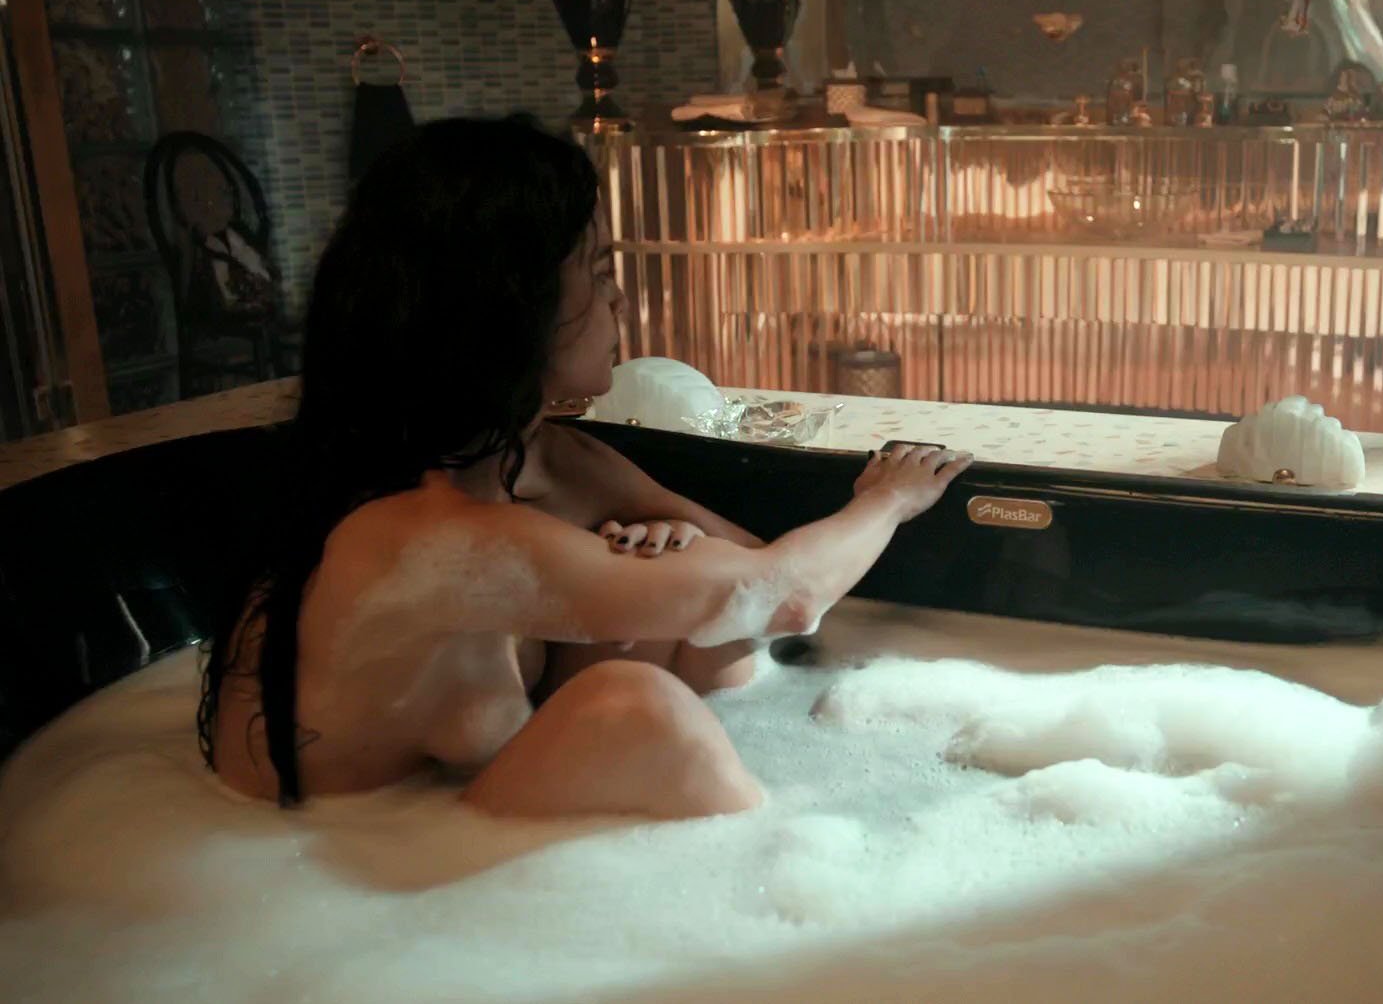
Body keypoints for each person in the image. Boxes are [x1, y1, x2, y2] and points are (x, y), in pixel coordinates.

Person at [197, 117, 970, 820]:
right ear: (509, 309)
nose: (620, 301)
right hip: (331, 862)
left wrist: (674, 545)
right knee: (634, 708)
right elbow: (782, 595)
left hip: (437, 833)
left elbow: (745, 571)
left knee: (691, 641)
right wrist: (888, 500)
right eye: (598, 274)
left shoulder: (539, 458)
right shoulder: (418, 533)